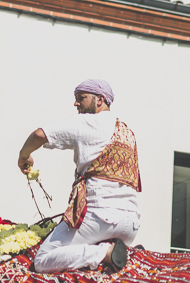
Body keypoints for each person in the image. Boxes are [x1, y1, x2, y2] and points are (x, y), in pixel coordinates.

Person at [18, 79, 141, 273]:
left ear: (100, 100)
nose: (76, 104)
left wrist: (23, 156)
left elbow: (40, 135)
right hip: (131, 223)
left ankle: (105, 253)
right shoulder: (127, 131)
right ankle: (128, 255)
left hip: (101, 218)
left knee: (43, 260)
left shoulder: (87, 122)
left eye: (81, 98)